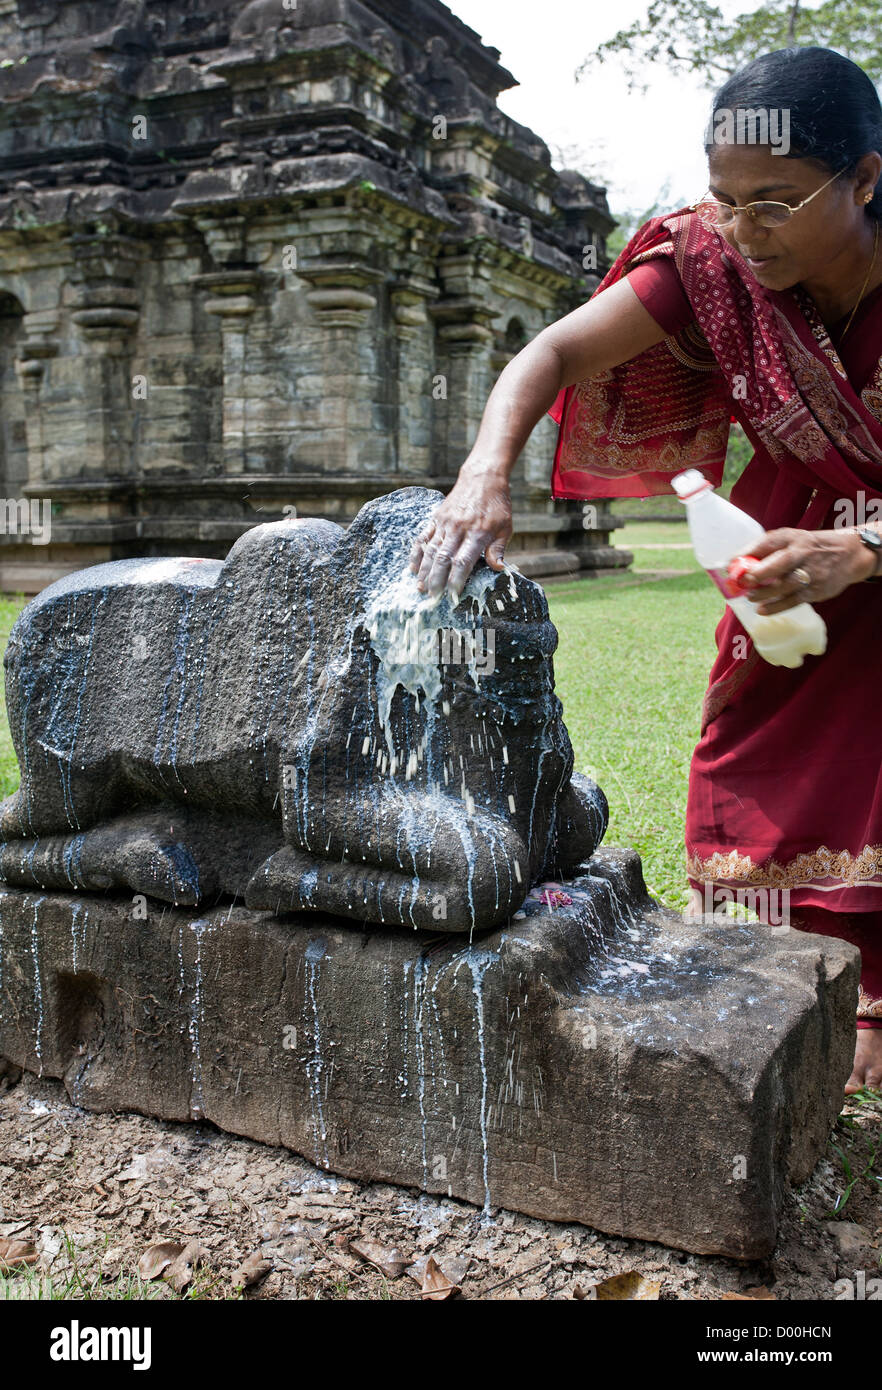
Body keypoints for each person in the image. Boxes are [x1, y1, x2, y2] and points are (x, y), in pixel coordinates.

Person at [408, 46, 882, 1095]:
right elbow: (555, 354)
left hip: (860, 540)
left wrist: (867, 548)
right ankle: (785, 976)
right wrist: (484, 475)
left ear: (864, 178)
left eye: (775, 204)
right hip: (788, 544)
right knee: (754, 746)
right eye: (724, 201)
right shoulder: (713, 260)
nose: (744, 234)